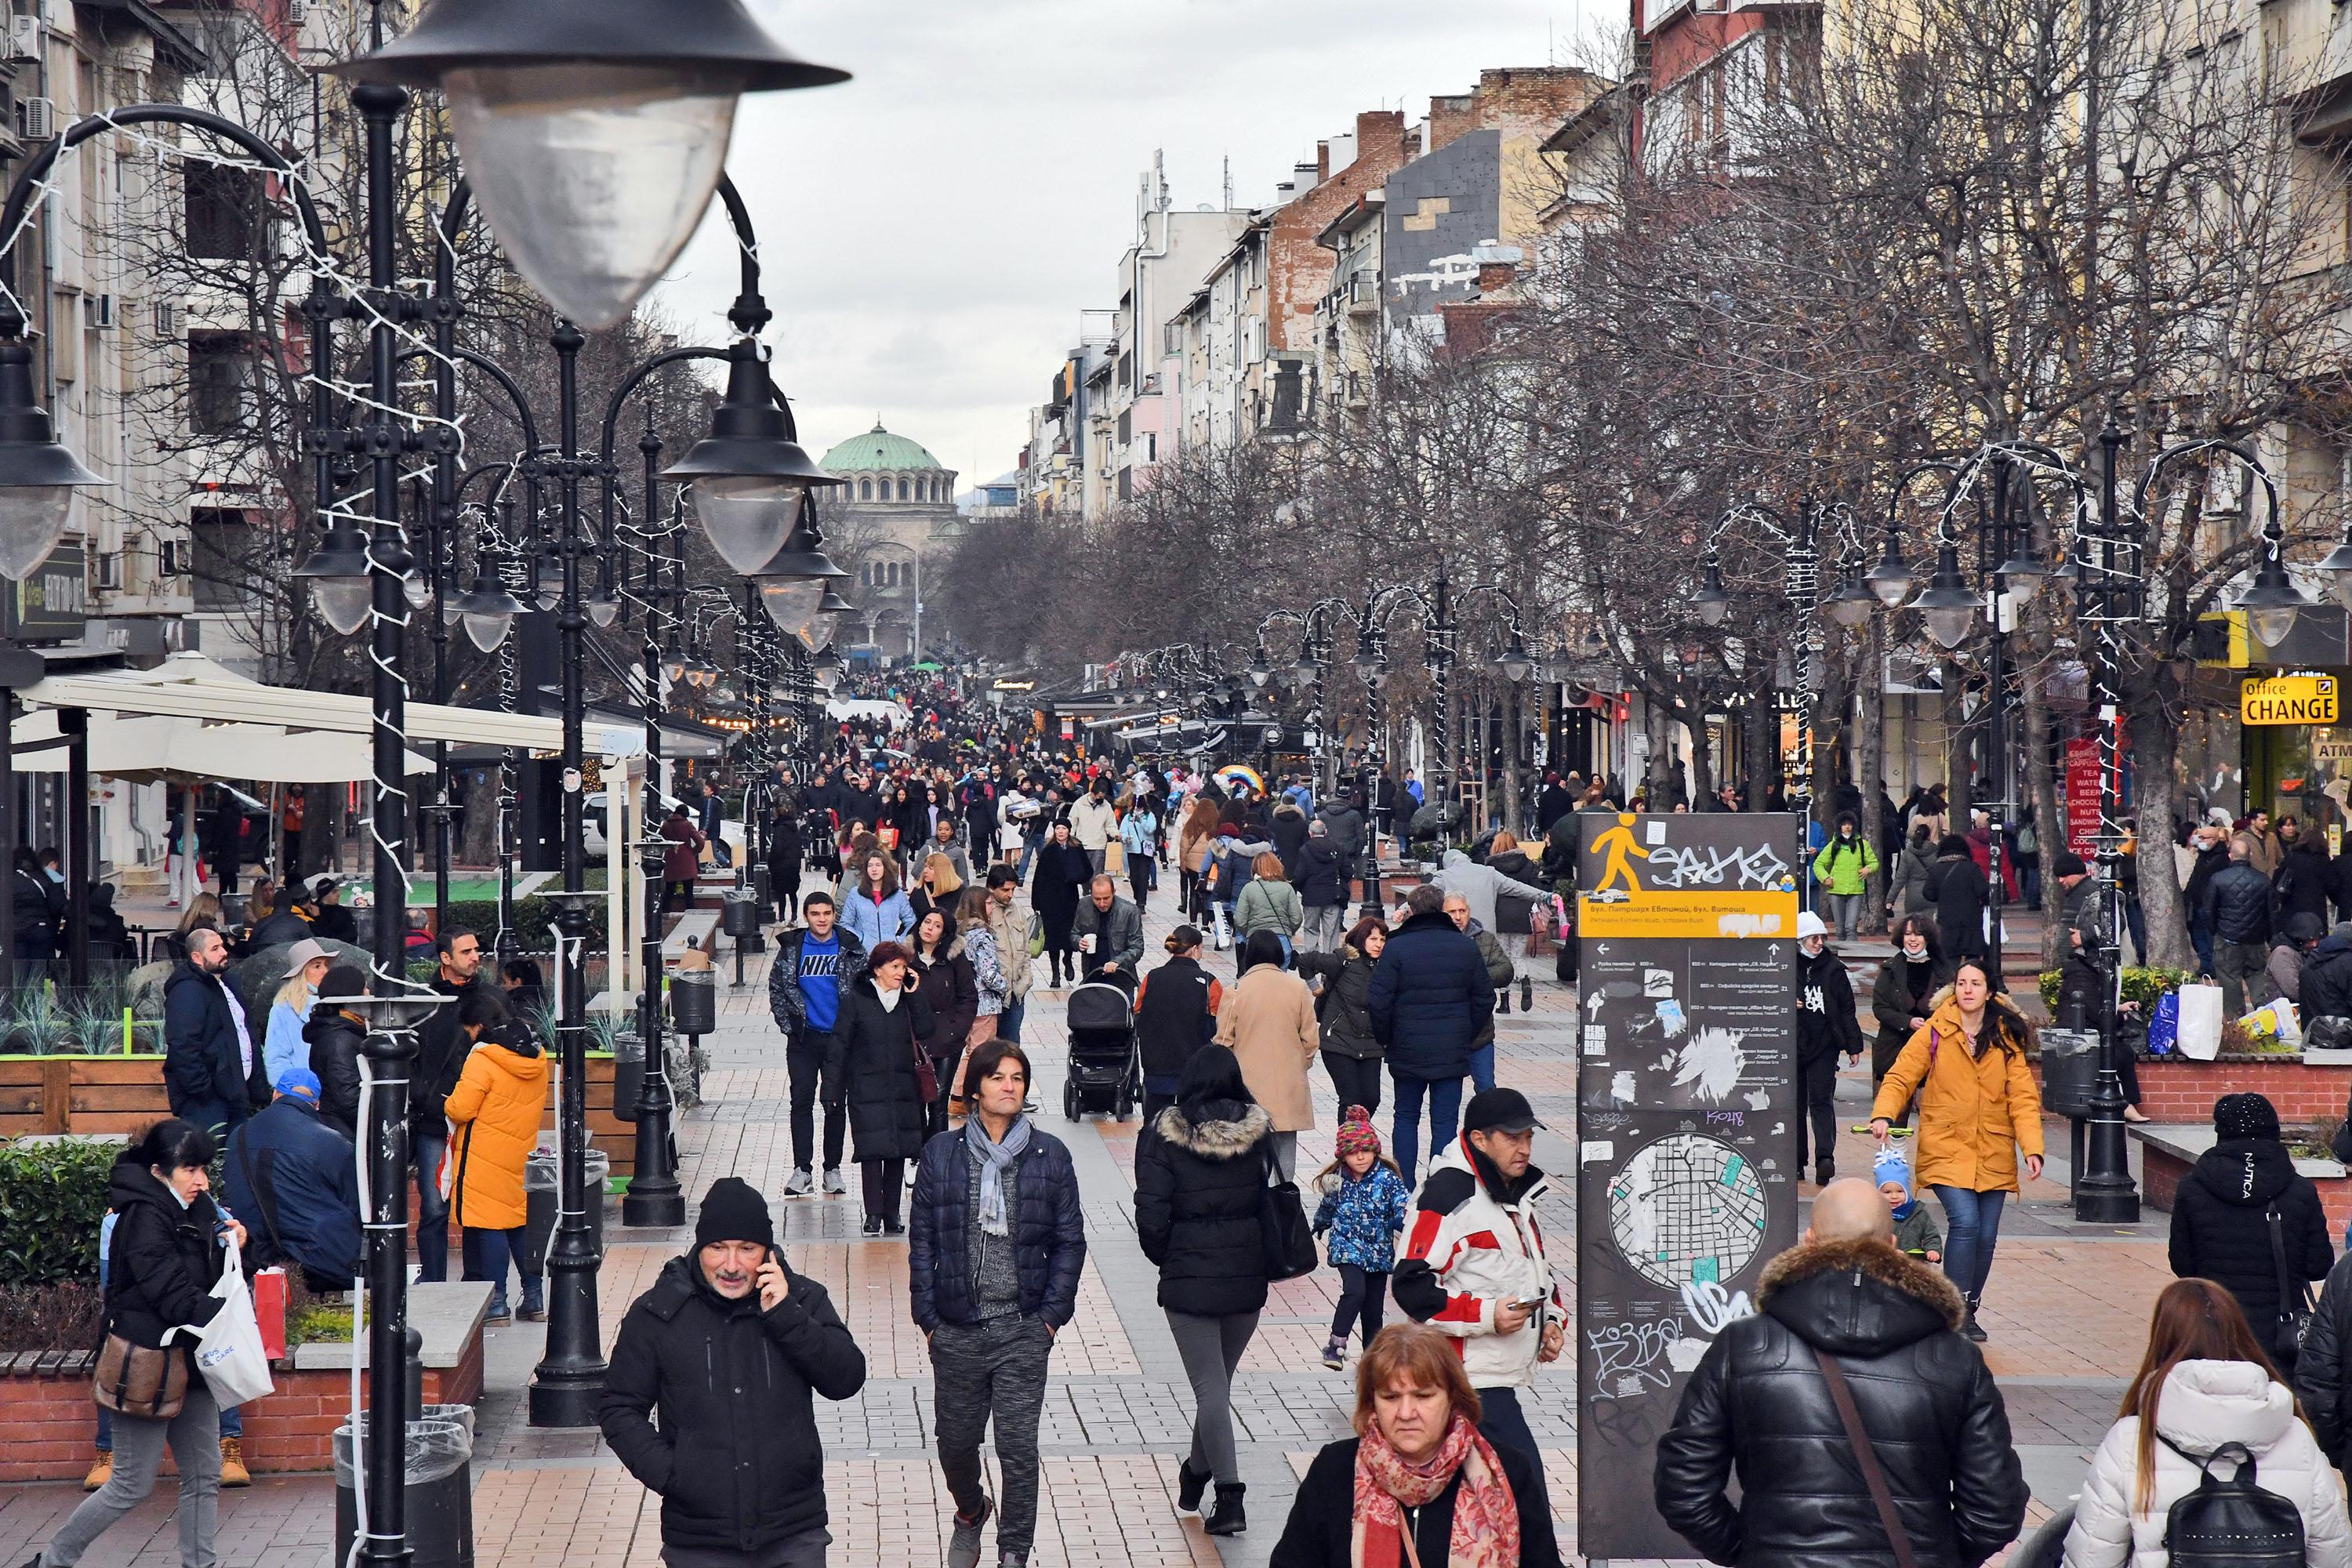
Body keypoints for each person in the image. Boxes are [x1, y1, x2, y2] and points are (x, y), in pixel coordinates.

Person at [1653, 1177, 2028, 1568]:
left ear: (1809, 1240)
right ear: (1893, 1246)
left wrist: (1752, 1552)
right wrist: (1934, 1555)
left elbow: (1683, 1486)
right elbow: (1994, 1508)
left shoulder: (1745, 1345)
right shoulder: (1955, 1357)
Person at [600, 1177, 866, 1568]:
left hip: (793, 1531)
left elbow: (845, 1379)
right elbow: (619, 1407)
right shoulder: (657, 1313)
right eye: (717, 1248)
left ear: (767, 1252)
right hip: (699, 1539)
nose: (731, 1265)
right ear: (699, 1248)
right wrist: (675, 1476)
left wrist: (786, 1315)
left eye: (746, 1249)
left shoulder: (804, 1300)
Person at [24, 1121, 249, 1568]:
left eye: (203, 1168)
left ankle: (200, 1564)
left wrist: (242, 1244)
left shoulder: (200, 1207)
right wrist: (224, 1322)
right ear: (158, 1171)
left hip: (194, 1359)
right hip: (148, 1364)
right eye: (189, 1169)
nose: (201, 1180)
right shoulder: (142, 1217)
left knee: (204, 1474)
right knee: (130, 1482)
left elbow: (227, 1272)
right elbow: (168, 1292)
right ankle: (54, 1561)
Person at [909, 1040, 1085, 1568]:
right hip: (957, 1328)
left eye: (1017, 1078)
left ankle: (1014, 1553)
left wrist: (1051, 1318)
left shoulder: (1049, 1154)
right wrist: (929, 1320)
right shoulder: (942, 1152)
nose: (1009, 1086)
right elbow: (921, 1240)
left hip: (1023, 1328)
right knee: (956, 1446)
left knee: (1017, 1451)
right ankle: (971, 1509)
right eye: (998, 1078)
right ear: (977, 1087)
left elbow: (1070, 1241)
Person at [2067, 1278, 2352, 1568]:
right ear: (2239, 1334)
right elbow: (2332, 1556)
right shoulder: (2295, 1437)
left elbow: (2092, 1558)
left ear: (2161, 1341)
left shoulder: (2131, 1442)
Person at [1270, 1323, 1564, 1568]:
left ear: (1452, 1399)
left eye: (1423, 1396)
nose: (1406, 1413)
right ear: (1371, 1402)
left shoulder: (1506, 1472)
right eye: (1391, 1397)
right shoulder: (1336, 1470)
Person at [1394, 1087, 1561, 1505]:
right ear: (1478, 1140)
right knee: (1526, 1497)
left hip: (1495, 1379)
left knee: (1482, 1504)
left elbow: (1532, 1269)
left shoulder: (1514, 1191)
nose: (1523, 1149)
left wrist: (1553, 1321)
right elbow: (1412, 1286)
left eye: (1528, 1138)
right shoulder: (1450, 1195)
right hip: (1469, 1384)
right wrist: (1488, 1316)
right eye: (1512, 1138)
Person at [1871, 956, 2045, 1341]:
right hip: (1946, 1144)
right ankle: (1952, 1309)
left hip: (1995, 1148)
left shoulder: (2005, 1036)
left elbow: (2022, 1097)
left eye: (1976, 984)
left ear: (1989, 992)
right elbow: (1901, 1076)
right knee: (1966, 1223)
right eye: (1962, 983)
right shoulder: (1936, 1030)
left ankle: (1969, 1309)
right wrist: (1884, 1113)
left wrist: (2032, 1147)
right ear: (1955, 989)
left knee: (1986, 1235)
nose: (1968, 990)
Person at [1138, 1045, 1276, 1537]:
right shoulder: (1259, 1132)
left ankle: (1231, 1496)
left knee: (1211, 1390)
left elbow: (1151, 1216)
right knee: (1215, 1388)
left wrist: (1168, 1256)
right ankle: (1196, 1472)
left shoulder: (1162, 1135)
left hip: (1190, 1276)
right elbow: (1266, 1200)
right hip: (1247, 1274)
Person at [2167, 1091, 2332, 1371]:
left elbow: (2183, 1265)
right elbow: (2318, 1266)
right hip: (2280, 1343)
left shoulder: (2193, 1188)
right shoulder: (2299, 1191)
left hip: (2212, 1334)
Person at [1369, 884, 1494, 1183]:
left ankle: (1404, 1184)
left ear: (1411, 911)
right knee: (1445, 1121)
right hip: (1452, 1047)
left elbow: (1378, 999)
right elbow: (1484, 997)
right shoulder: (1464, 947)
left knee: (1406, 1117)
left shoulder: (1397, 947)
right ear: (1441, 910)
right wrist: (1466, 1032)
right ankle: (1439, 1184)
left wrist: (1386, 1037)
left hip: (1407, 1045)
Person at [445, 986, 548, 1323]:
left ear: (478, 1025)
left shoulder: (483, 1057)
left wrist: (446, 1101)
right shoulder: (536, 1057)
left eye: (469, 1030)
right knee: (519, 1223)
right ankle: (534, 1298)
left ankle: (498, 1302)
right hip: (521, 1150)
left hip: (483, 1155)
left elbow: (461, 1108)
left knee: (489, 1225)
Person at [219, 1068, 361, 1294]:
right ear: (316, 1105)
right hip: (321, 1263)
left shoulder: (239, 1135)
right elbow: (357, 1207)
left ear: (275, 1095)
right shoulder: (334, 1143)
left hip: (252, 1255)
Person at [768, 893, 866, 1198]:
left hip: (839, 1038)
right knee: (801, 1102)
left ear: (834, 915)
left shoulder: (850, 947)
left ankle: (832, 1169)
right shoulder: (792, 949)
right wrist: (788, 1025)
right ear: (806, 916)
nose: (822, 919)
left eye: (826, 913)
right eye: (815, 914)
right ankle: (803, 1170)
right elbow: (777, 987)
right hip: (804, 1037)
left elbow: (864, 987)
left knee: (835, 1104)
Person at [837, 940, 932, 1236]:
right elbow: (839, 1046)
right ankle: (873, 1214)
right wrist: (831, 1091)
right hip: (867, 1087)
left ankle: (892, 1213)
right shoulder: (857, 1000)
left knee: (897, 1152)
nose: (901, 973)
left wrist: (916, 996)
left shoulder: (907, 999)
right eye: (895, 967)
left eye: (904, 967)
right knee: (871, 1151)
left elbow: (928, 1030)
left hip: (904, 1086)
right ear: (877, 970)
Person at [1214, 931, 1320, 1181]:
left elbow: (1223, 1041)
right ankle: (1283, 1198)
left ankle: (1258, 1202)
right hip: (1289, 1083)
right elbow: (1310, 1039)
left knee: (1253, 1149)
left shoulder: (1237, 990)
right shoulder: (1297, 988)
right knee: (1286, 1147)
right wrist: (1300, 1063)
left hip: (1249, 1085)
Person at [1310, 1108, 1411, 1370]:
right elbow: (1328, 1207)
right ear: (1343, 1155)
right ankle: (1336, 1343)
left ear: (1375, 1150)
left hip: (1378, 1251)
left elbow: (1402, 1206)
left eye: (1366, 1151)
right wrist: (1320, 1223)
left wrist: (1407, 1222)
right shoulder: (1338, 1179)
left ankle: (1372, 1359)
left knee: (1373, 1308)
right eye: (1354, 1153)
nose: (1361, 1157)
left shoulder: (1387, 1178)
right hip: (1347, 1247)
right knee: (1355, 1291)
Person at [410, 927, 482, 1283]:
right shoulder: (423, 1000)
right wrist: (424, 1096)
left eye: (476, 950)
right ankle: (434, 1278)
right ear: (445, 958)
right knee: (434, 1206)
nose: (475, 956)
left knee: (475, 1207)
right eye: (466, 951)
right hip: (435, 1119)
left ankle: (479, 1283)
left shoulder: (488, 998)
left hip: (477, 1118)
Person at [162, 926, 266, 1143]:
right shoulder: (187, 991)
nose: (224, 952)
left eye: (223, 946)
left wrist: (255, 1086)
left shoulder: (228, 984)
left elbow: (245, 1032)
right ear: (197, 957)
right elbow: (183, 1045)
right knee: (209, 1163)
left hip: (237, 1092)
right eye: (215, 948)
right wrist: (203, 1091)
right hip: (208, 1101)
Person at [1795, 910, 1865, 1186]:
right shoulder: (1788, 965)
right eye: (1813, 938)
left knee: (1821, 1100)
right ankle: (1797, 1160)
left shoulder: (1834, 969)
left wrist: (1853, 1045)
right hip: (1796, 1043)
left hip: (1825, 1044)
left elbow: (1846, 1008)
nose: (1819, 943)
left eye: (1822, 937)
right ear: (1800, 939)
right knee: (1796, 1104)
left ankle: (1825, 1157)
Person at [1296, 916, 1388, 1120]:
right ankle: (1348, 1145)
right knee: (1350, 1099)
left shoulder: (1387, 966)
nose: (1378, 945)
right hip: (1338, 1040)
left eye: (1382, 940)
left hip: (1371, 1042)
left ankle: (1357, 1136)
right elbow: (1305, 961)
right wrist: (1315, 988)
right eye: (1373, 939)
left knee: (1372, 1098)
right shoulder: (1345, 959)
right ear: (1362, 938)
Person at [1134, 926, 1222, 1123]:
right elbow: (1219, 1025)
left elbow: (1138, 1013)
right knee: (1194, 1124)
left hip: (1156, 1066)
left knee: (1155, 1123)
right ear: (1195, 949)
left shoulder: (1152, 977)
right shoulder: (1209, 983)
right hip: (1195, 1069)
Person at [1870, 916, 1948, 1128]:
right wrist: (1907, 1021)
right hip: (1897, 1046)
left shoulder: (1943, 970)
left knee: (1936, 1115)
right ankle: (1894, 1157)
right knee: (1896, 1113)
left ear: (1927, 938)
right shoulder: (1890, 969)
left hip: (1934, 1048)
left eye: (1918, 934)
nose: (1913, 939)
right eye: (1908, 934)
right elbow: (1880, 1007)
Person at [910, 909, 978, 1142]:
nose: (929, 928)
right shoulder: (906, 958)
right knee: (916, 1099)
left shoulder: (954, 959)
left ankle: (938, 1152)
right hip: (914, 1040)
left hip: (946, 1039)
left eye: (936, 925)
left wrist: (957, 1030)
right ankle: (917, 1153)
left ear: (944, 933)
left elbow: (969, 996)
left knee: (938, 1100)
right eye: (926, 922)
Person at [1440, 891, 1515, 1090]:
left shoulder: (1485, 939)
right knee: (1448, 1090)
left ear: (1469, 912)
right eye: (1451, 912)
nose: (1457, 917)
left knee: (1486, 1087)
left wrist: (1476, 978)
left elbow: (1505, 970)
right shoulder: (1438, 940)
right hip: (1447, 1032)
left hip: (1480, 1032)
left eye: (1462, 911)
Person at [2205, 837, 2276, 1014]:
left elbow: (2208, 911)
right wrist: (2269, 937)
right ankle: (2263, 1012)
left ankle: (2236, 1021)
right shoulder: (2263, 880)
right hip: (2256, 939)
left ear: (2230, 856)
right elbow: (2271, 912)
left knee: (2229, 979)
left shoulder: (2218, 879)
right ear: (2250, 855)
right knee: (2257, 975)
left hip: (2227, 938)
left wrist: (2216, 930)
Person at [302, 966, 368, 1137]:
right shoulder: (340, 1039)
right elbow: (349, 1099)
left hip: (341, 1127)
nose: (368, 993)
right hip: (347, 1133)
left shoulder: (341, 1031)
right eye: (364, 989)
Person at [1028, 819, 1092, 990]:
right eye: (1058, 828)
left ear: (1069, 831)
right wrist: (1036, 901)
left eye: (1064, 828)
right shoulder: (1048, 851)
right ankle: (1055, 973)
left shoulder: (1076, 849)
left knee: (1068, 933)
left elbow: (1088, 870)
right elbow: (1039, 877)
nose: (1061, 832)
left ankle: (1068, 960)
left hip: (1069, 898)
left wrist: (1074, 878)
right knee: (1053, 937)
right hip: (1050, 900)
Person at [262, 937, 332, 1089]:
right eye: (317, 966)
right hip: (302, 1092)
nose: (325, 971)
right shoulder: (283, 1009)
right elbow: (276, 1059)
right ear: (301, 972)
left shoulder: (335, 1005)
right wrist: (295, 1091)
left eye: (326, 965)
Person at [981, 865, 1038, 1044]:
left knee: (1012, 1046)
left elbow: (1026, 951)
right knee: (989, 1047)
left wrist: (1026, 980)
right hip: (992, 995)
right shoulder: (984, 912)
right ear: (991, 888)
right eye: (1005, 890)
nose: (1010, 894)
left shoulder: (1018, 910)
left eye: (1013, 889)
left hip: (1016, 993)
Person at [1069, 873, 1145, 988]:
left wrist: (1117, 962)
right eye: (1097, 899)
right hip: (1092, 975)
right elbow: (1075, 933)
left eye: (1106, 898)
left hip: (1121, 979)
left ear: (1114, 892)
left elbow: (1137, 947)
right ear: (1091, 894)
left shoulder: (1129, 911)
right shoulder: (1084, 905)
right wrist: (1079, 942)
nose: (1102, 904)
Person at [1813, 812, 1880, 940]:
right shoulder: (1833, 845)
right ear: (1839, 827)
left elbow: (1874, 862)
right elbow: (1818, 864)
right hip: (1836, 891)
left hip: (1856, 891)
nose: (1847, 827)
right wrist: (1825, 878)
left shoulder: (1862, 844)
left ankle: (1852, 955)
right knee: (1840, 929)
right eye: (1844, 825)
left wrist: (1868, 869)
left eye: (1850, 824)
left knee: (1851, 928)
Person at [1232, 851, 1304, 969]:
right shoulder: (1287, 888)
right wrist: (1287, 930)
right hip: (1282, 941)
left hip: (1256, 941)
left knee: (1258, 979)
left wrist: (1249, 932)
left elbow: (1239, 919)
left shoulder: (1249, 888)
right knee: (1279, 979)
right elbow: (1297, 918)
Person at [1874, 1145, 1944, 1262]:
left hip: (1914, 1265)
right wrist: (1888, 1252)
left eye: (1900, 1191)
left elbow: (1931, 1236)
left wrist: (1933, 1249)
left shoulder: (1919, 1213)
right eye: (1887, 1192)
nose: (1894, 1196)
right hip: (1884, 1266)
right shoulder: (1876, 1216)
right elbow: (1869, 1241)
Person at [842, 851, 915, 949]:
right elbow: (845, 924)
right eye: (870, 866)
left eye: (878, 865)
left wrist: (898, 940)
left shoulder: (897, 894)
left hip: (889, 953)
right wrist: (860, 939)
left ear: (885, 867)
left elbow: (911, 922)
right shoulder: (856, 893)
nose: (874, 869)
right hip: (865, 952)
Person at [661, 802, 706, 913]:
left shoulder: (665, 825)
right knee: (688, 891)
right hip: (686, 860)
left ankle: (664, 913)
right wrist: (693, 852)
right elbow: (700, 842)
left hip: (670, 859)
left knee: (669, 890)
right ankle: (691, 913)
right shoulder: (687, 824)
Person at [909, 850, 965, 933]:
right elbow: (911, 921)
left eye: (930, 868)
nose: (925, 871)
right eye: (925, 867)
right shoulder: (918, 892)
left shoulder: (960, 892)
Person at [1069, 781, 1117, 875]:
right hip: (1082, 844)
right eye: (1099, 797)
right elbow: (1072, 822)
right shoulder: (1079, 804)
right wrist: (1070, 838)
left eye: (1103, 797)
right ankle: (1086, 890)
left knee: (1097, 875)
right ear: (1092, 794)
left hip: (1099, 845)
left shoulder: (1106, 806)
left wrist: (1116, 834)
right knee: (1084, 874)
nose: (1101, 799)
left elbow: (1110, 825)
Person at [246, 887, 311, 947]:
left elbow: (251, 946)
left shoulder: (261, 923)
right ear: (291, 906)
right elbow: (310, 945)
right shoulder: (301, 923)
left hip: (264, 957)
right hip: (290, 958)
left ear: (274, 905)